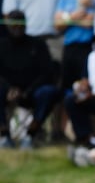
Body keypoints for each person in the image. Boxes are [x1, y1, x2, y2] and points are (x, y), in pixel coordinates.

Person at [0, 10, 58, 149]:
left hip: (32, 90)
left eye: (21, 26)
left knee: (48, 92)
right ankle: (3, 135)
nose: (18, 29)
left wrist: (27, 91)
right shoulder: (1, 45)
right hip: (7, 91)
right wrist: (9, 89)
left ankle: (30, 135)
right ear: (7, 26)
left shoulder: (38, 44)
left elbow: (47, 72)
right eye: (14, 26)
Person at [54, 0, 95, 100]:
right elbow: (57, 24)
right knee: (65, 90)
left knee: (87, 90)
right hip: (69, 48)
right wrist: (74, 17)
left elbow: (89, 22)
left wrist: (67, 18)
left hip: (87, 49)